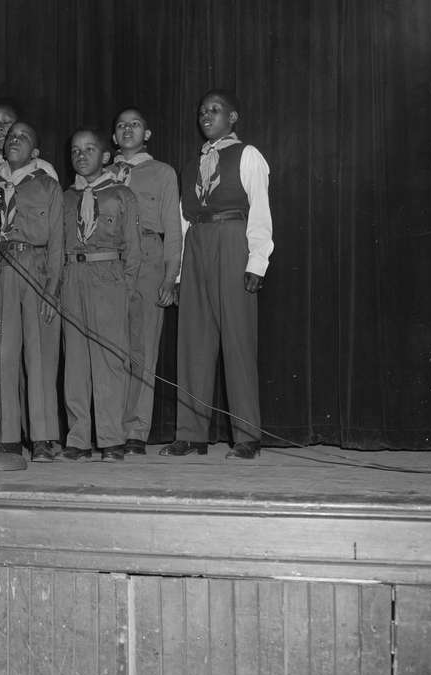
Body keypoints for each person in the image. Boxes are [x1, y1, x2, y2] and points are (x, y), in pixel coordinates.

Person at [159, 89, 273, 460]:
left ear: (233, 117)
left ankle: (247, 436)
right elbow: (180, 218)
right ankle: (192, 434)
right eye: (202, 112)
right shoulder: (191, 165)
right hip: (196, 244)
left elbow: (260, 210)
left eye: (215, 110)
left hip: (231, 239)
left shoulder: (247, 155)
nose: (206, 116)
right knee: (193, 342)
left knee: (238, 342)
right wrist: (176, 274)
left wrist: (257, 261)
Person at [0, 100, 59, 452]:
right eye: (9, 135)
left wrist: (53, 287)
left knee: (39, 356)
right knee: (3, 355)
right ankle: (7, 437)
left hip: (35, 271)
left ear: (35, 149)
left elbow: (57, 243)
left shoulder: (46, 184)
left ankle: (44, 435)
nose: (13, 138)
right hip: (1, 272)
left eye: (22, 135)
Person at [59, 128, 142, 462]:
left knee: (109, 360)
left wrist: (124, 291)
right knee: (76, 361)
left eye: (90, 149)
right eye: (76, 150)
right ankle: (77, 438)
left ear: (106, 156)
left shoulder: (122, 195)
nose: (82, 155)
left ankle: (111, 439)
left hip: (108, 276)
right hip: (72, 276)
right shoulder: (64, 198)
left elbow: (134, 252)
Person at [109, 108, 182, 456]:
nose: (127, 129)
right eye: (121, 125)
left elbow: (173, 229)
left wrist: (171, 276)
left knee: (143, 349)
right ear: (113, 136)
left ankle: (136, 429)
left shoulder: (162, 173)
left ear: (147, 134)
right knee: (109, 346)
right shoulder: (102, 173)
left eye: (135, 124)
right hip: (108, 263)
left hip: (149, 257)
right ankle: (109, 426)